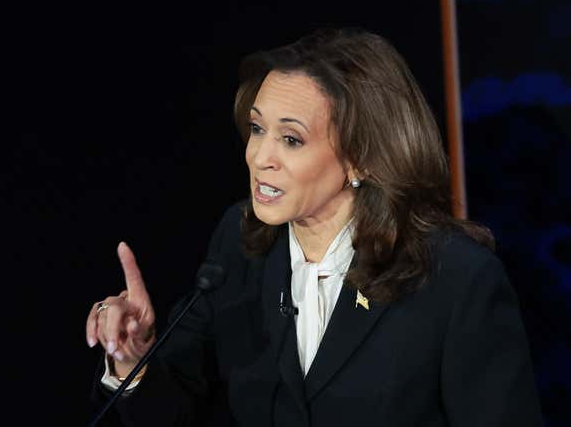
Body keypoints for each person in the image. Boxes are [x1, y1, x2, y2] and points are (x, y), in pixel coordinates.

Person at [86, 28, 544, 426]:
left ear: (361, 157)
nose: (259, 157)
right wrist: (132, 361)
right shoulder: (242, 242)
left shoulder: (455, 279)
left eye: (290, 139)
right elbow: (174, 410)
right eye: (256, 129)